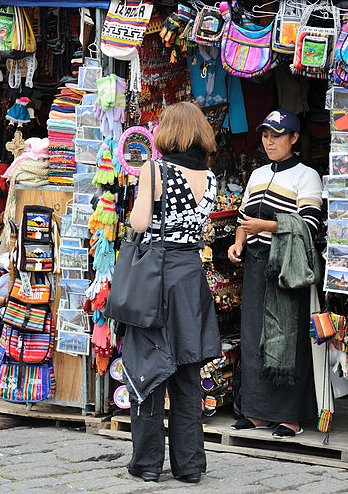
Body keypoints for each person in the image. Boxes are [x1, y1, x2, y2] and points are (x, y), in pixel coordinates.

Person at [121, 102, 221, 484]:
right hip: (191, 278)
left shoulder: (155, 170)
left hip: (156, 279)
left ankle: (147, 463)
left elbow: (139, 222)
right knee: (187, 374)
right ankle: (190, 465)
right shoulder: (209, 178)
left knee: (148, 370)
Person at [228, 109, 323, 438]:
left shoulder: (307, 176)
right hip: (255, 261)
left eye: (277, 135)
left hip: (285, 263)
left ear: (293, 138)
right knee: (254, 335)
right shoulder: (257, 174)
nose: (269, 142)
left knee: (285, 338)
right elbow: (243, 218)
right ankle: (257, 413)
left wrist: (263, 226)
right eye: (266, 135)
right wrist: (239, 242)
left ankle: (289, 417)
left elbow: (308, 225)